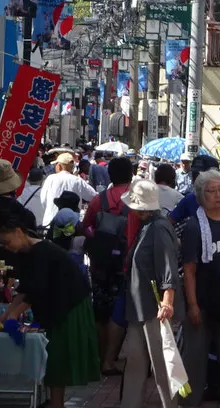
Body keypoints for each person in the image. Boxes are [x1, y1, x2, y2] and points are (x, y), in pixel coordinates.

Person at [0, 217, 101, 406]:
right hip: (57, 304)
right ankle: (55, 402)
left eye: (8, 241)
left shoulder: (42, 251)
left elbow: (36, 290)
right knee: (53, 355)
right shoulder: (26, 253)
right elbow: (25, 290)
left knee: (57, 355)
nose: (7, 247)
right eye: (3, 244)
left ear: (20, 232)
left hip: (70, 305)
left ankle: (57, 403)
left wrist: (13, 314)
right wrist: (6, 315)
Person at [179, 169, 220, 407]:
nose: (218, 196)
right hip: (203, 302)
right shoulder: (194, 226)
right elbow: (189, 270)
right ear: (200, 195)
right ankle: (187, 403)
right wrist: (193, 305)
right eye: (212, 191)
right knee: (195, 360)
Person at [122, 179, 182, 408]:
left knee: (161, 362)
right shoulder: (149, 225)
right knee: (136, 360)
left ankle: (171, 405)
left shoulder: (157, 227)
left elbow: (168, 267)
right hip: (140, 305)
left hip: (153, 307)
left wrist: (167, 301)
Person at [82, 156, 135, 375]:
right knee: (119, 312)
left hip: (100, 264)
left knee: (100, 312)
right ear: (131, 175)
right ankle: (110, 360)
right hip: (124, 264)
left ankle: (99, 357)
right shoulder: (134, 201)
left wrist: (97, 239)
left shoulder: (99, 200)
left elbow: (85, 227)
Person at [171, 155, 220, 242]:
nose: (196, 180)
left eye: (201, 177)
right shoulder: (190, 199)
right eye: (194, 175)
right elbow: (168, 223)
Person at [35, 152, 97, 227]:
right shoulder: (77, 180)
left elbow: (43, 200)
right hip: (71, 225)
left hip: (51, 223)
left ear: (59, 166)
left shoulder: (50, 179)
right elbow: (93, 196)